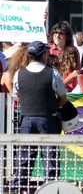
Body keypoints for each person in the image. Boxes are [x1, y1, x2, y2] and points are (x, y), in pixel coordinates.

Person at [11, 41, 68, 190]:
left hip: (27, 120)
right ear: (43, 55)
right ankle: (51, 189)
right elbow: (63, 98)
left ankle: (19, 188)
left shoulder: (19, 74)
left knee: (24, 157)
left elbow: (18, 95)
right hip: (48, 120)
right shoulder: (53, 73)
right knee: (50, 157)